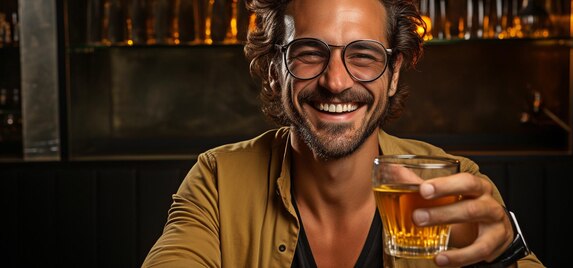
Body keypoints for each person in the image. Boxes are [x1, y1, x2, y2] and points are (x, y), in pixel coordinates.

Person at [142, 0, 544, 267]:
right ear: (274, 67)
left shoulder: (451, 181)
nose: (335, 81)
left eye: (363, 55)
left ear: (394, 72)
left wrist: (505, 250)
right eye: (309, 52)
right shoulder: (217, 180)